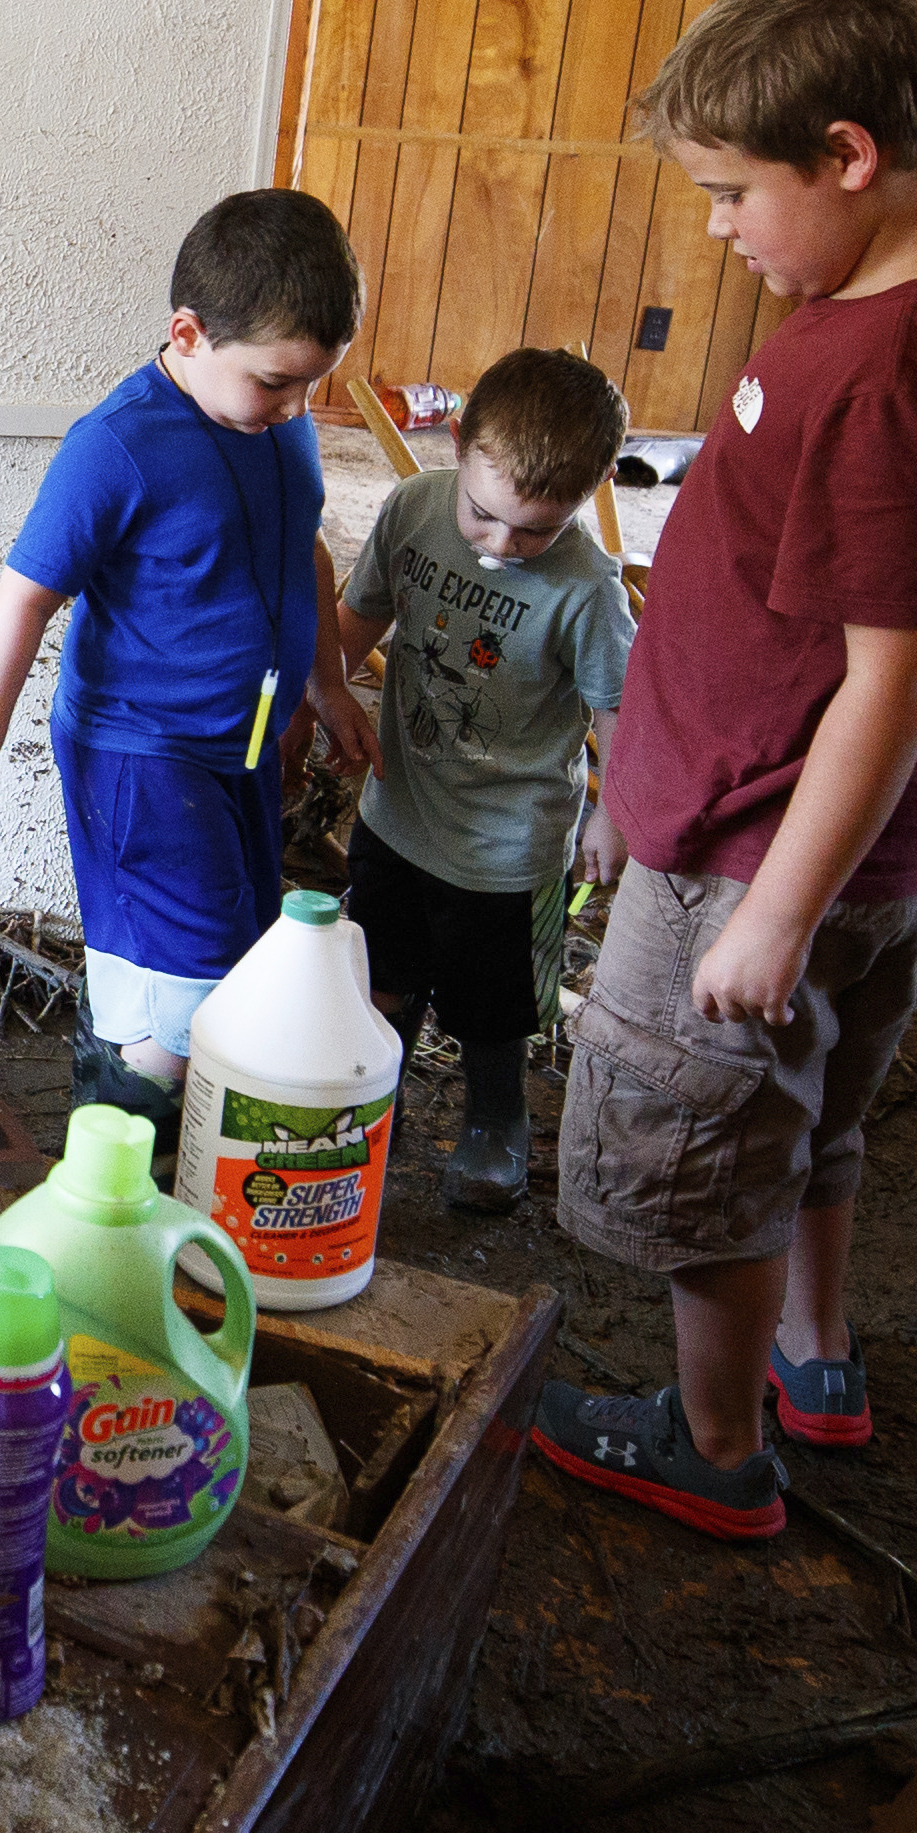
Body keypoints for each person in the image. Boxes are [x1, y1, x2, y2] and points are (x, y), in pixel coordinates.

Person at [542, 0, 917, 1543]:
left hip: (758, 845)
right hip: (842, 839)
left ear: (851, 157)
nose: (717, 229)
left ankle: (711, 1444)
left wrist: (771, 908)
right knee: (810, 1114)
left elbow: (900, 671)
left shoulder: (895, 367)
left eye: (731, 192)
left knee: (706, 1145)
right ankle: (813, 1355)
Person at [0, 191, 380, 1125]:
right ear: (188, 333)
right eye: (278, 382)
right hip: (145, 755)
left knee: (222, 953)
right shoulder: (119, 448)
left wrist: (324, 683)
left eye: (313, 385)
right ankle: (124, 1155)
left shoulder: (271, 422)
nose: (296, 408)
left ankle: (125, 1084)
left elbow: (306, 547)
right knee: (197, 981)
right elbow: (25, 595)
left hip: (241, 748)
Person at [328, 345, 636, 1216]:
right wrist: (320, 698)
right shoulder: (415, 509)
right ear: (456, 442)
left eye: (535, 530)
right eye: (487, 516)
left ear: (591, 490)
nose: (504, 546)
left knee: (492, 1004)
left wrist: (613, 814)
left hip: (510, 844)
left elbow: (617, 708)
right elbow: (361, 614)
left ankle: (496, 1119)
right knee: (380, 970)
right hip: (399, 811)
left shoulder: (587, 589)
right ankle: (365, 1113)